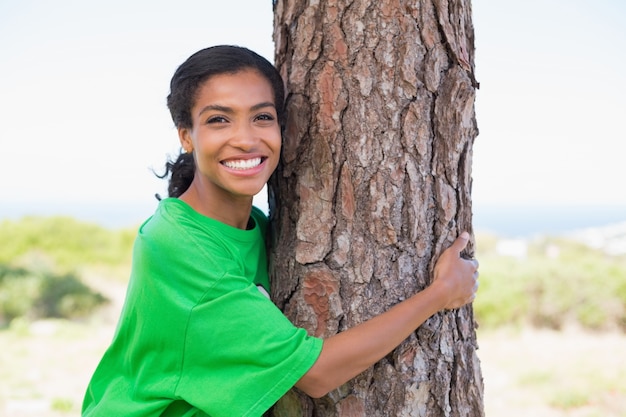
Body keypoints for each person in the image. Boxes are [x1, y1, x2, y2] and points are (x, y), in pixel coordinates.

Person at [82, 45, 479, 417]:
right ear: (186, 136)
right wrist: (440, 294)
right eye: (219, 119)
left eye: (262, 117)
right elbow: (318, 374)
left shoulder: (257, 225)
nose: (246, 138)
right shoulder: (181, 246)